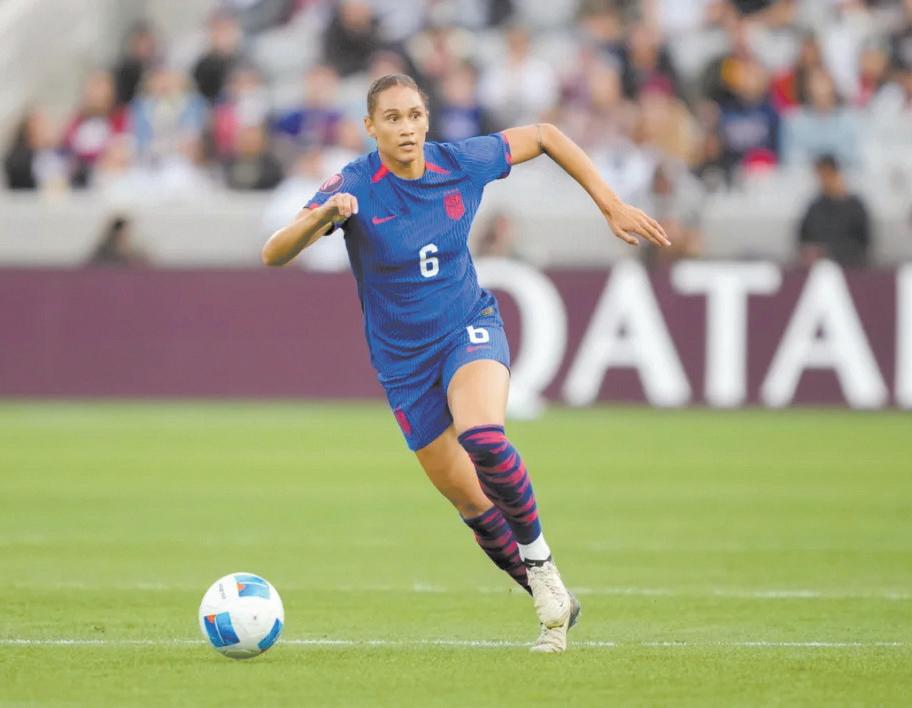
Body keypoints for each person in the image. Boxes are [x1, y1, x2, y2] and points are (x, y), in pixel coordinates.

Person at [261, 73, 670, 653]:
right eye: (393, 118)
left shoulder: (459, 162)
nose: (406, 128)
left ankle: (542, 565)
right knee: (471, 502)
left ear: (427, 119)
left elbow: (546, 135)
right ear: (370, 127)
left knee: (483, 436)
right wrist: (318, 217)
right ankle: (549, 597)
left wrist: (610, 204)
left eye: (414, 115)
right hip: (403, 366)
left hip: (467, 328)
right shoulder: (352, 185)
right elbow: (273, 254)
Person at [797, 154, 870, 267]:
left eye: (826, 175)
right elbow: (803, 240)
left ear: (837, 174)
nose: (823, 180)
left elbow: (864, 244)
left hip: (850, 269)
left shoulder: (855, 207)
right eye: (820, 176)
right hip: (818, 269)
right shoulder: (814, 208)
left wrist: (831, 251)